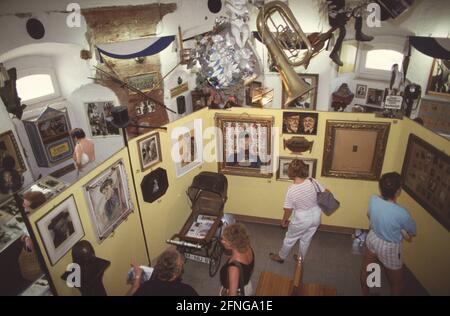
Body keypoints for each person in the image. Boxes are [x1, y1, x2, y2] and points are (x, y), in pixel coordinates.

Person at [360, 172, 416, 296]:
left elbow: (369, 215)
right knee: (397, 283)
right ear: (398, 191)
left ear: (381, 187)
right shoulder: (402, 213)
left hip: (373, 237)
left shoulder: (373, 199)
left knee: (368, 268)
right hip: (390, 247)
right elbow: (411, 232)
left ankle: (367, 293)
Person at [270, 159, 327, 263]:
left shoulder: (292, 189)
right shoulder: (312, 181)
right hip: (316, 215)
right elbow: (326, 192)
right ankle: (300, 259)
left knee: (289, 239)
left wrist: (284, 221)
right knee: (306, 240)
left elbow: (288, 210)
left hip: (302, 219)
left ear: (291, 172)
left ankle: (281, 257)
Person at [130, 248, 198, 296]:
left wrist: (137, 276)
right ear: (174, 274)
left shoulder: (146, 287)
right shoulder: (186, 291)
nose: (183, 263)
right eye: (181, 265)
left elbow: (135, 291)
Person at [219, 223, 255, 296]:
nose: (222, 241)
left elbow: (232, 294)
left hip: (240, 291)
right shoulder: (247, 247)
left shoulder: (234, 267)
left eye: (225, 240)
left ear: (233, 244)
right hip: (247, 284)